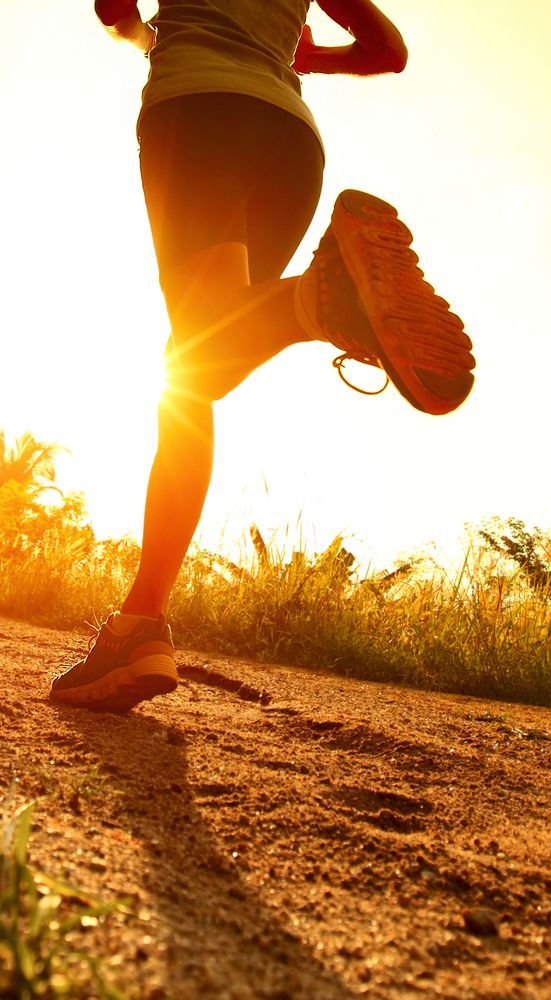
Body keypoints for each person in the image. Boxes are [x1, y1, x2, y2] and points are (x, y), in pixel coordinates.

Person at [50, 0, 475, 712]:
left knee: (197, 359)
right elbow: (387, 49)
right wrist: (307, 57)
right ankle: (140, 624)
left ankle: (319, 298)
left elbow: (113, 10)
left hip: (199, 106)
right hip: (288, 135)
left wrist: (145, 36)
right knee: (193, 365)